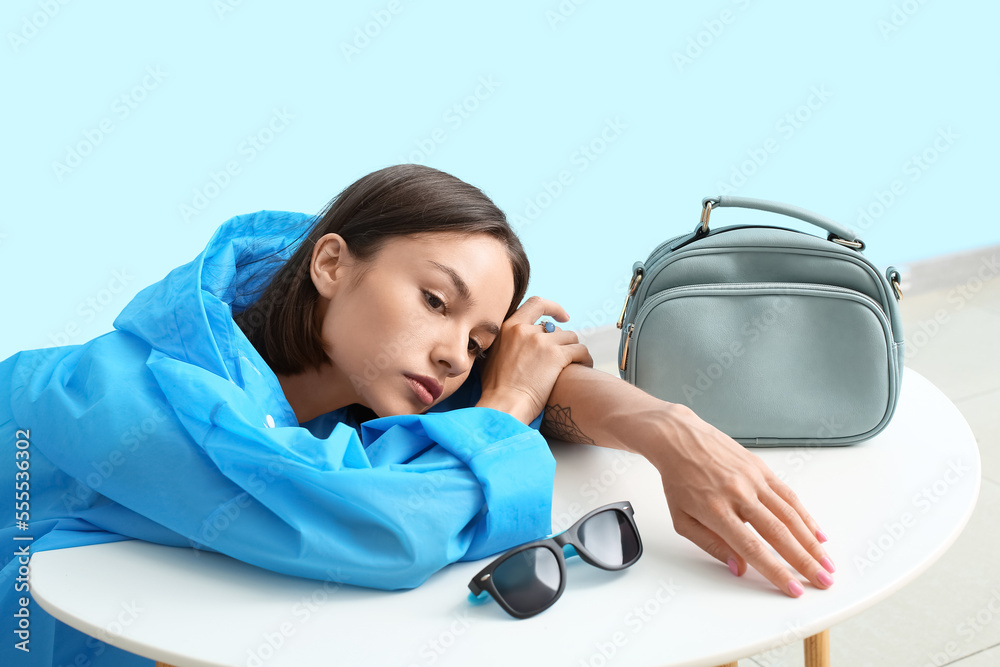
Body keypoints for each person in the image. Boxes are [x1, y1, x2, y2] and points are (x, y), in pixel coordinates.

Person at [1, 164, 834, 666]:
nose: (452, 355)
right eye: (435, 300)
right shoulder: (133, 399)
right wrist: (508, 401)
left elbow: (544, 371)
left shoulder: (346, 353)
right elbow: (377, 528)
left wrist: (665, 427)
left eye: (475, 340)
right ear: (331, 261)